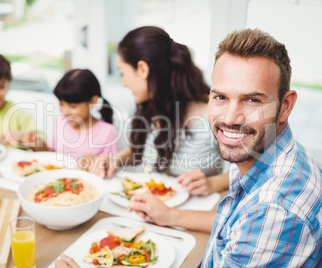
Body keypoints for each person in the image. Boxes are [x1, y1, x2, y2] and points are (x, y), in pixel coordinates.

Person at [127, 29, 322, 266]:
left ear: (285, 106)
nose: (230, 118)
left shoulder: (274, 211)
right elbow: (232, 224)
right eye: (221, 97)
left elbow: (258, 222)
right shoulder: (266, 154)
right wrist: (170, 215)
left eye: (252, 100)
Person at [81, 26, 228, 196]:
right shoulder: (148, 105)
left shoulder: (214, 116)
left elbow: (249, 171)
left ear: (143, 69)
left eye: (123, 73)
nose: (124, 83)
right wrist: (114, 160)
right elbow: (142, 149)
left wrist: (212, 183)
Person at [45, 69, 118, 158]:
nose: (65, 112)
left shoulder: (107, 132)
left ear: (93, 101)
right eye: (61, 104)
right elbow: (52, 156)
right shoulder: (60, 122)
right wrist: (39, 147)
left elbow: (110, 167)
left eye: (72, 106)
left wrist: (94, 161)